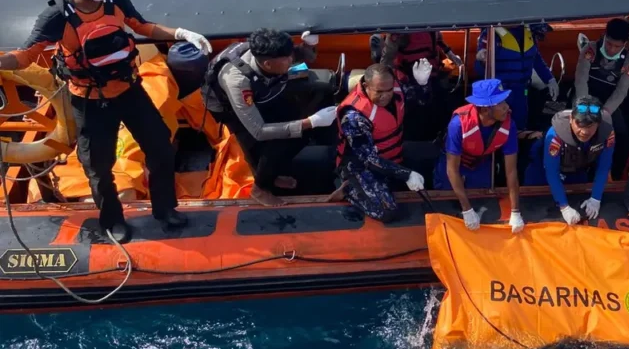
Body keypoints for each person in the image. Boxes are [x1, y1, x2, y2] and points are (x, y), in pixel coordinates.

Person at [0, 0, 211, 242]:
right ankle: (112, 219)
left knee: (161, 149)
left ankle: (165, 209)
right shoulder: (57, 16)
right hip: (89, 101)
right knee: (98, 166)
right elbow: (25, 56)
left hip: (129, 90)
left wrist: (180, 33)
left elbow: (141, 25)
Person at [204, 28, 338, 206]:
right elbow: (259, 131)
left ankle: (272, 174)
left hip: (262, 89)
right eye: (288, 60)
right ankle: (260, 188)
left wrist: (309, 45)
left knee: (319, 94)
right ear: (267, 64)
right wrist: (311, 122)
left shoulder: (272, 52)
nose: (292, 60)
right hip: (230, 106)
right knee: (265, 143)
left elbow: (304, 56)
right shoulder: (237, 81)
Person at [329, 64, 424, 223]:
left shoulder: (396, 89)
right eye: (379, 92)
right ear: (366, 86)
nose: (385, 96)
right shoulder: (354, 116)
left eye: (388, 90)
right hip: (361, 167)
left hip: (392, 157)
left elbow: (422, 101)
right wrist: (406, 174)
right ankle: (349, 189)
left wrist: (423, 84)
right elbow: (368, 159)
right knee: (386, 211)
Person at [434, 79, 522, 233]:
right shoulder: (458, 124)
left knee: (483, 202)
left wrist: (515, 211)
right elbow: (452, 169)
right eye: (501, 103)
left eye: (505, 101)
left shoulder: (509, 125)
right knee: (447, 202)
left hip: (480, 163)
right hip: (453, 165)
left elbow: (511, 171)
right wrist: (467, 210)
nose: (507, 107)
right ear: (486, 109)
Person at [524, 95, 615, 226]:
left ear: (599, 123)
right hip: (542, 172)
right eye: (580, 124)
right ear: (571, 119)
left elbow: (604, 167)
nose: (584, 131)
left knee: (581, 212)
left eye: (590, 125)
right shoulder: (555, 134)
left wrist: (596, 198)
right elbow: (551, 172)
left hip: (577, 171)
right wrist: (564, 207)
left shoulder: (608, 133)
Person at [575, 18, 629, 177]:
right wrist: (585, 108)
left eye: (617, 46)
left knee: (621, 135)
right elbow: (581, 80)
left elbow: (621, 91)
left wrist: (605, 112)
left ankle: (618, 174)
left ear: (625, 44)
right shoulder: (590, 50)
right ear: (604, 36)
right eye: (609, 44)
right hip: (584, 98)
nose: (611, 49)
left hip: (609, 103)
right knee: (580, 128)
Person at [475, 24, 558, 130]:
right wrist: (481, 60)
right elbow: (480, 71)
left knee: (520, 122)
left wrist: (550, 79)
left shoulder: (529, 31)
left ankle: (520, 138)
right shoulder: (490, 34)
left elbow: (536, 59)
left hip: (522, 89)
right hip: (501, 92)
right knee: (500, 126)